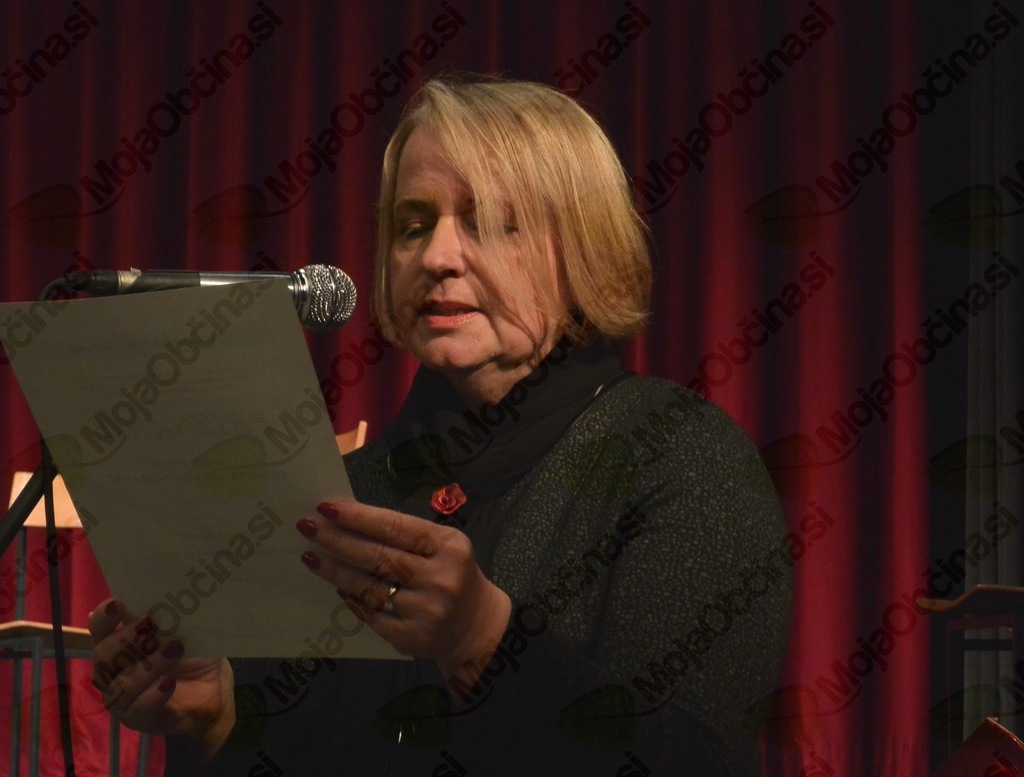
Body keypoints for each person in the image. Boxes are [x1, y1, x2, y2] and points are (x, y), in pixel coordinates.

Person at [89, 76, 792, 776]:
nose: (436, 256)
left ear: (584, 247)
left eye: (490, 221)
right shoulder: (345, 490)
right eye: (414, 224)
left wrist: (484, 642)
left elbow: (692, 759)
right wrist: (217, 721)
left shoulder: (678, 455)